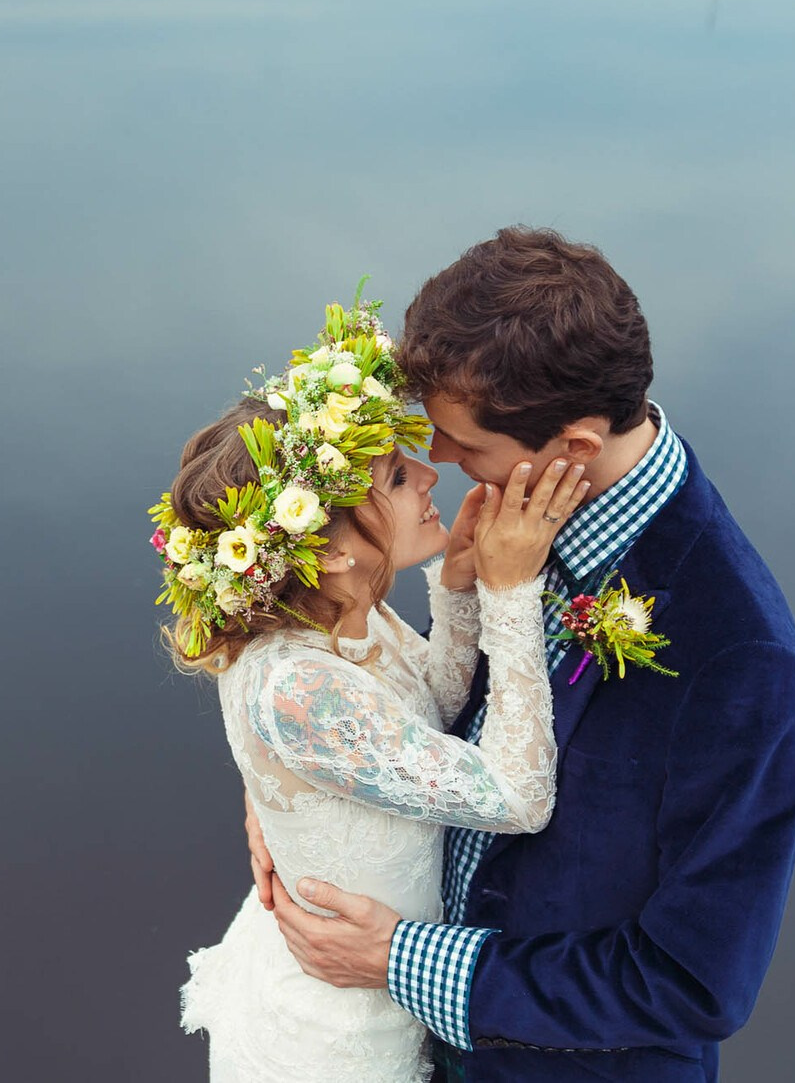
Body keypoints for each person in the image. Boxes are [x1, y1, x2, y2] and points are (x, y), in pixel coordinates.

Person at [248, 228, 795, 1083]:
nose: (437, 461)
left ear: (576, 445)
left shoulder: (741, 662)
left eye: (464, 443)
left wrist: (404, 961)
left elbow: (691, 983)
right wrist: (299, 796)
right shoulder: (519, 497)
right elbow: (423, 721)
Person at [151, 292, 589, 1083]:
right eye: (393, 473)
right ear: (331, 552)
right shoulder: (301, 692)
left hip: (379, 981)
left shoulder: (345, 609)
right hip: (336, 1045)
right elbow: (521, 796)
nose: (429, 472)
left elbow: (429, 711)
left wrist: (455, 591)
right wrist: (511, 592)